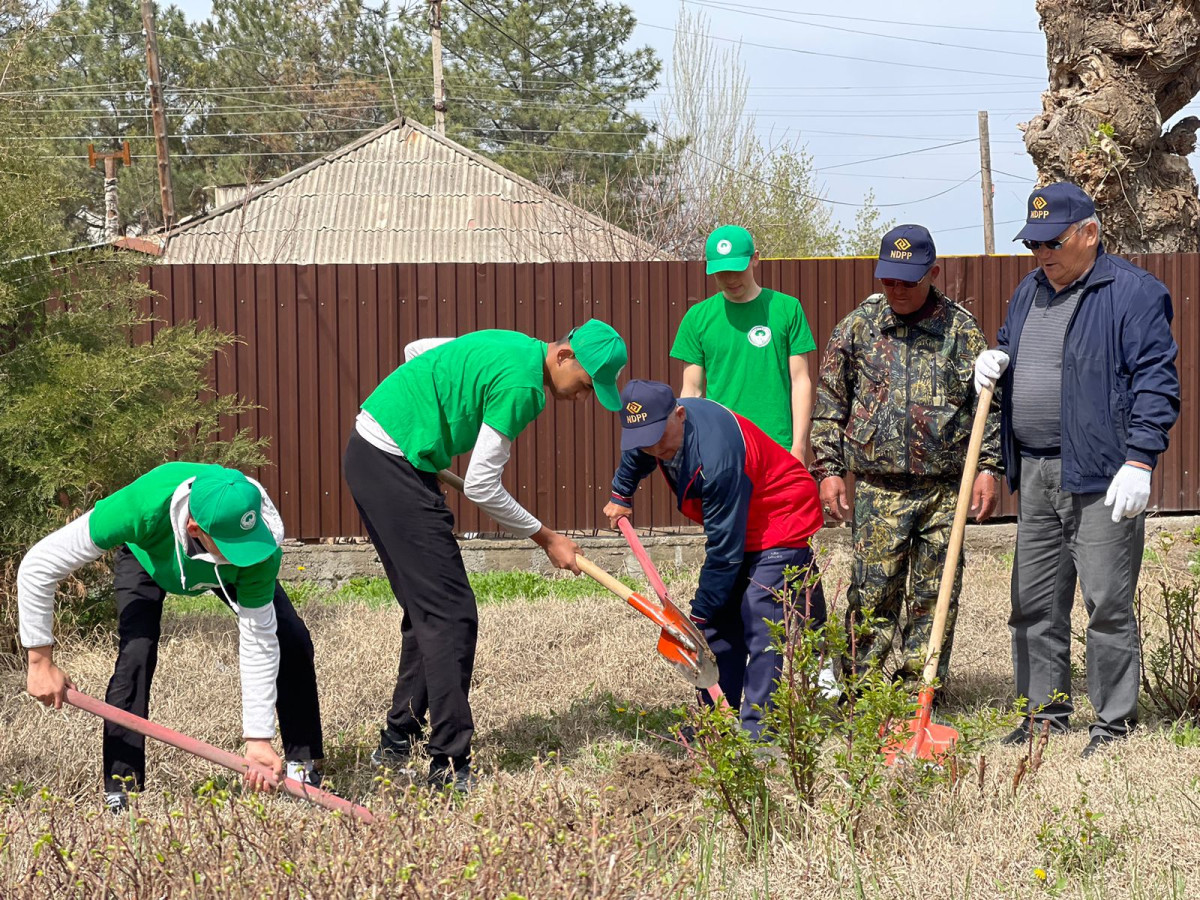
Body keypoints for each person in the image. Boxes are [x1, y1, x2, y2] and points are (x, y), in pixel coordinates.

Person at [345, 321, 627, 792]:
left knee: (427, 612)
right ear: (563, 357)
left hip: (374, 452)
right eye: (583, 385)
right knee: (452, 616)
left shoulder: (510, 342)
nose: (581, 399)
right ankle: (449, 765)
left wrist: (421, 433)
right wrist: (548, 538)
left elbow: (420, 350)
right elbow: (480, 487)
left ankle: (398, 739)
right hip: (391, 464)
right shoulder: (522, 388)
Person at [974, 183, 1180, 758]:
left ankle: (1112, 724)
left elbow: (1156, 382)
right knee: (1034, 601)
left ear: (1089, 234)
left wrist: (1140, 460)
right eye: (1033, 243)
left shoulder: (1134, 293)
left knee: (1107, 602)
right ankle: (1043, 715)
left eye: (1053, 242)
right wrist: (996, 361)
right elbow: (1016, 349)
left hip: (1101, 473)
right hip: (1036, 471)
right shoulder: (1029, 291)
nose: (1042, 254)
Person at [17, 463, 324, 812]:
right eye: (232, 546)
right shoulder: (138, 508)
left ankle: (303, 762)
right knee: (136, 654)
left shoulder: (258, 545)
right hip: (148, 556)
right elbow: (38, 565)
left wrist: (257, 738)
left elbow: (258, 640)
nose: (243, 555)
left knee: (291, 638)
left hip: (221, 568)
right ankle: (121, 786)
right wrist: (39, 661)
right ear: (195, 528)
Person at [810, 224, 1001, 695]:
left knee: (935, 597)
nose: (896, 290)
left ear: (933, 273)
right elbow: (830, 403)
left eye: (908, 281)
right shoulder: (858, 327)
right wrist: (830, 470)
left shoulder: (960, 331)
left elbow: (988, 407)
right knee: (872, 594)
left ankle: (920, 692)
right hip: (878, 489)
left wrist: (988, 468)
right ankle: (861, 693)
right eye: (888, 280)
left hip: (944, 490)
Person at [603, 380, 828, 740]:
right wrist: (622, 492)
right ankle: (717, 724)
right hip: (741, 514)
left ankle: (759, 733)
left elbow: (724, 553)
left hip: (779, 513)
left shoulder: (716, 457)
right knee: (720, 623)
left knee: (760, 613)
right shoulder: (653, 433)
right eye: (641, 438)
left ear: (680, 414)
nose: (652, 448)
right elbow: (639, 450)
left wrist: (698, 615)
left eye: (658, 438)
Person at [670, 225, 817, 461]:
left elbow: (801, 381)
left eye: (737, 269)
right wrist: (690, 447)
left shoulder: (787, 309)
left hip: (777, 447)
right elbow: (692, 391)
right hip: (721, 448)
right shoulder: (697, 318)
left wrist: (798, 447)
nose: (730, 279)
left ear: (755, 259)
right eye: (721, 272)